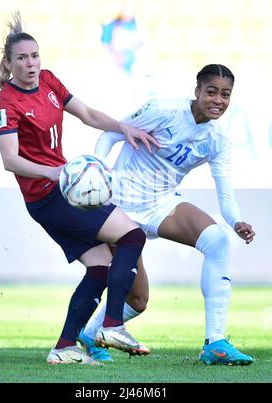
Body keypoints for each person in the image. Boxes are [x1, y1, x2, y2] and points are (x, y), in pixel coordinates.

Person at [0, 12, 160, 365]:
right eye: (22, 58)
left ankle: (64, 348)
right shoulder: (6, 103)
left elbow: (87, 113)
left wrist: (123, 127)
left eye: (35, 55)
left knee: (99, 267)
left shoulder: (50, 81)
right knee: (131, 236)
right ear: (8, 63)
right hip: (49, 196)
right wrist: (54, 173)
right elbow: (10, 159)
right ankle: (112, 324)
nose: (31, 63)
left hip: (60, 191)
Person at [80, 64, 256, 366]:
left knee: (218, 241)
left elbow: (225, 193)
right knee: (138, 302)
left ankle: (215, 342)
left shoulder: (218, 141)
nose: (218, 100)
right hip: (120, 208)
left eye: (225, 95)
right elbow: (111, 134)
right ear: (197, 91)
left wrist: (235, 221)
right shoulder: (161, 110)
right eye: (211, 92)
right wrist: (98, 168)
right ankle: (89, 334)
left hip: (162, 204)